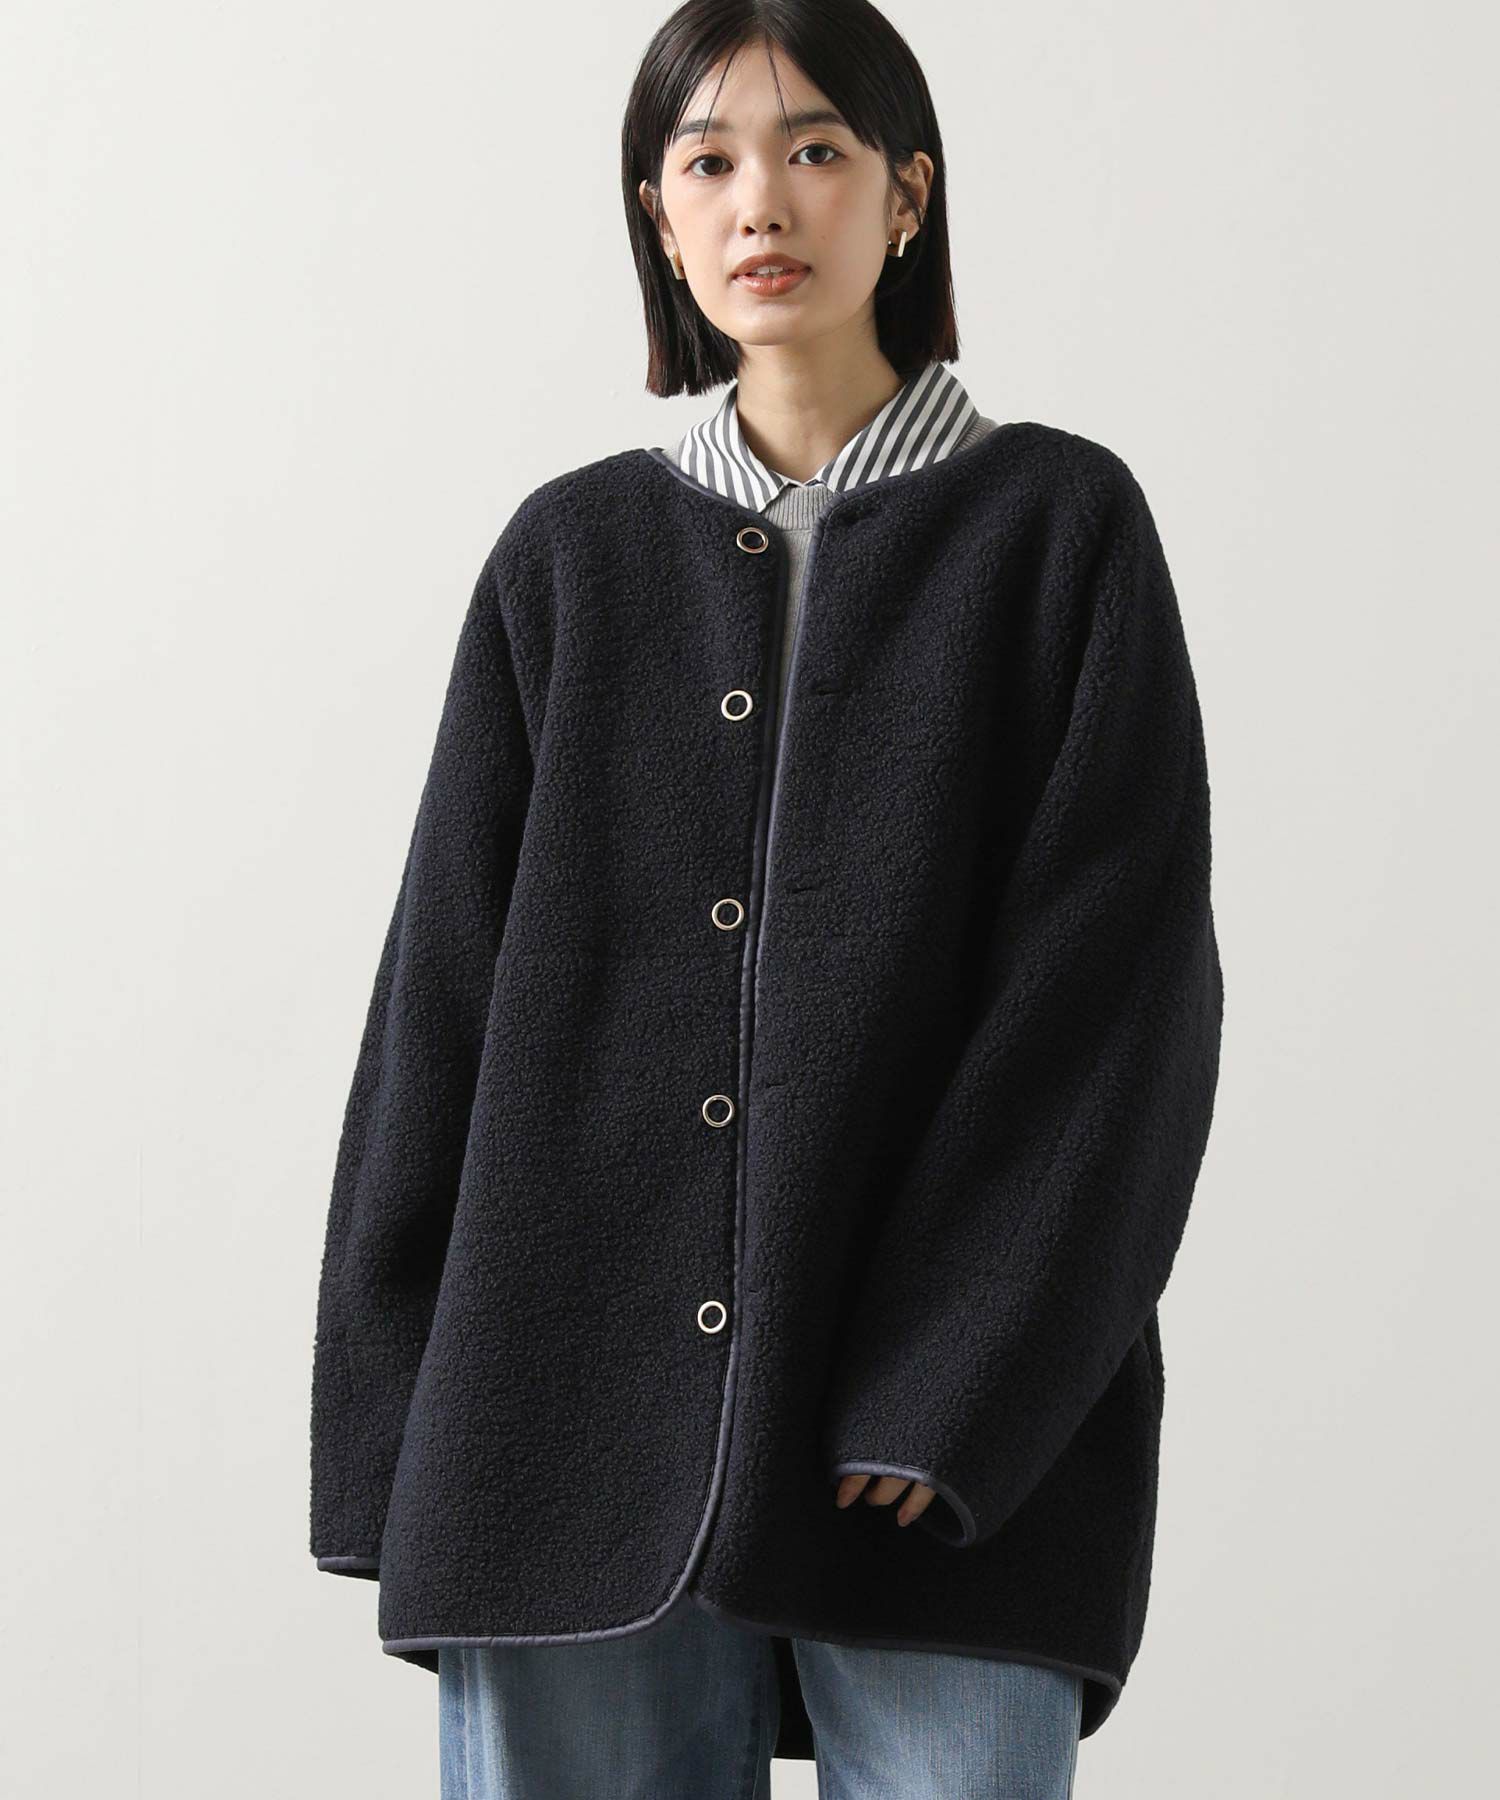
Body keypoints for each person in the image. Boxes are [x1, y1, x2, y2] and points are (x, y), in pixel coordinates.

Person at [308, 3, 1224, 1795]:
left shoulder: (1057, 529)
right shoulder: (569, 557)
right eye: (709, 162)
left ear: (907, 196)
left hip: (939, 1459)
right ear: (659, 217)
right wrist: (394, 1435)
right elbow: (439, 1010)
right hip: (558, 1430)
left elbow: (1114, 1012)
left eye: (816, 150)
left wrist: (957, 1386)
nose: (763, 204)